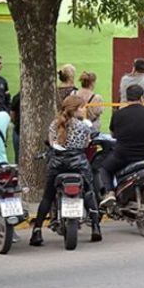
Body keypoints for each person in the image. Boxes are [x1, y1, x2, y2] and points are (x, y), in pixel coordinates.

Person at [30, 95, 101, 246]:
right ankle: (96, 227)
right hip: (79, 164)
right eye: (82, 107)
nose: (84, 110)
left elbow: (50, 143)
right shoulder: (84, 126)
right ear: (75, 110)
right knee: (89, 192)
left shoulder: (54, 124)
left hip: (57, 164)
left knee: (47, 197)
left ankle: (37, 230)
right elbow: (87, 144)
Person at [99, 85, 144, 207]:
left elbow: (113, 134)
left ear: (126, 98)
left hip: (122, 155)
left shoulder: (118, 114)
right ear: (142, 98)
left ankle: (110, 192)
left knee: (104, 169)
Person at [10, 93, 21, 165]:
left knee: (18, 158)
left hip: (18, 129)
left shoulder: (17, 97)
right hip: (18, 130)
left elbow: (12, 115)